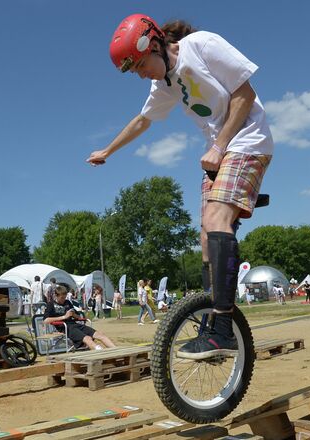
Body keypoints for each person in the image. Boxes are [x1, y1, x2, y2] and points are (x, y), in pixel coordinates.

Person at [89, 15, 273, 359]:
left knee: (217, 218)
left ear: (155, 44)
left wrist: (219, 146)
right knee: (206, 235)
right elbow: (143, 119)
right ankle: (211, 320)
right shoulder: (164, 85)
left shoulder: (202, 45)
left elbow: (245, 94)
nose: (141, 74)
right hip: (218, 154)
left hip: (248, 141)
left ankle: (222, 328)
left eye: (141, 65)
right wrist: (108, 151)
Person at [44, 285, 116, 351]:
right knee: (88, 339)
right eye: (62, 298)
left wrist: (73, 314)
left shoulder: (67, 302)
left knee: (100, 335)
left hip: (75, 324)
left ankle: (117, 351)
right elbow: (46, 320)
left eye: (65, 297)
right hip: (65, 328)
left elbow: (78, 316)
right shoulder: (51, 305)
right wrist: (64, 316)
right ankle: (103, 355)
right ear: (56, 295)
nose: (63, 299)